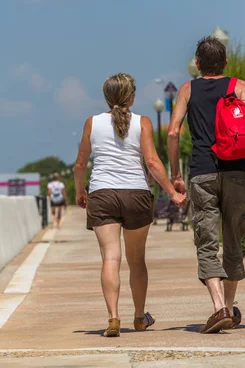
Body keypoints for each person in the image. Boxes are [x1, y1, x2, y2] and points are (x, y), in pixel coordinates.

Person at [74, 73, 186, 337]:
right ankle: (139, 316)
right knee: (137, 261)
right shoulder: (142, 122)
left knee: (111, 258)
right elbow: (153, 163)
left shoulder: (92, 123)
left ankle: (113, 318)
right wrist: (172, 192)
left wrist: (81, 191)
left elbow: (80, 164)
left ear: (107, 97)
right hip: (136, 194)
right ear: (131, 96)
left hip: (102, 194)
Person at [167, 37, 245, 334]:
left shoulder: (187, 89)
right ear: (225, 62)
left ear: (197, 64)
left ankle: (219, 307)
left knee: (207, 242)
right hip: (236, 171)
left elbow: (173, 133)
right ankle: (230, 308)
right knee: (233, 239)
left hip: (202, 173)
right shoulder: (239, 86)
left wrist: (176, 174)